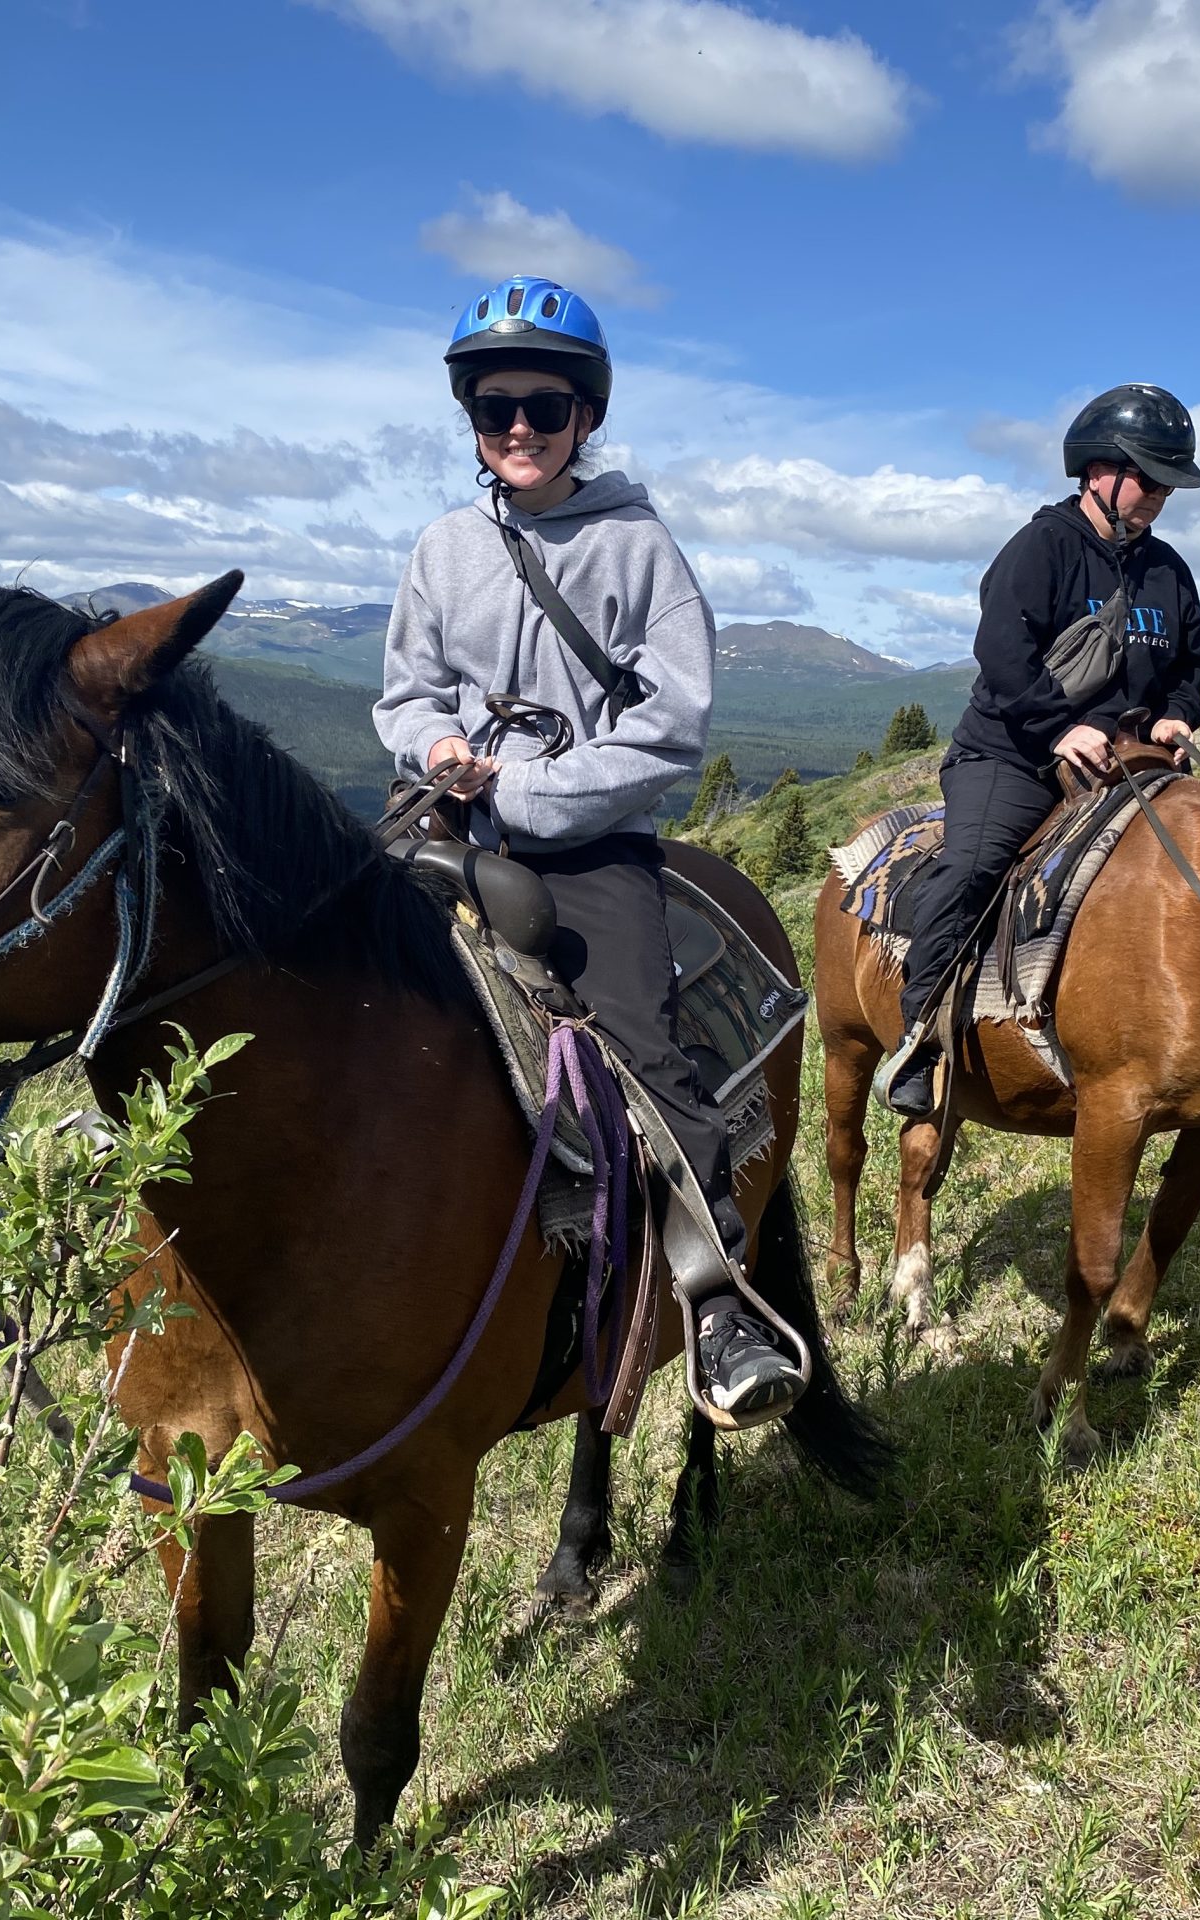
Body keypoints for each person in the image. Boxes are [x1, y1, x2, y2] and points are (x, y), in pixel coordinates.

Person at [375, 273, 805, 1426]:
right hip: (447, 825)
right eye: (494, 405)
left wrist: (533, 788)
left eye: (546, 407)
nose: (519, 426)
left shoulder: (640, 548)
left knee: (639, 1037)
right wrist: (440, 747)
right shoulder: (441, 549)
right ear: (470, 415)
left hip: (587, 847)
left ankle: (714, 1299)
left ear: (586, 417)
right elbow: (404, 695)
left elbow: (670, 726)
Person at [879, 384, 1200, 1119]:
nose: (1159, 495)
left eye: (1167, 484)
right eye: (1149, 478)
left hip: (1129, 764)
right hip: (1014, 755)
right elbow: (1002, 652)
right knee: (971, 871)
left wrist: (1177, 716)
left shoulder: (1168, 570)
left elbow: (1193, 662)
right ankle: (918, 1038)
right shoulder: (1043, 546)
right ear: (1099, 470)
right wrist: (1061, 725)